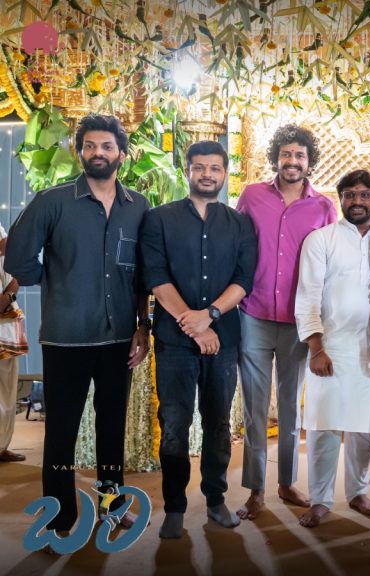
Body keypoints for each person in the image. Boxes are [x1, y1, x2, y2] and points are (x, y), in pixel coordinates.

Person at [4, 113, 151, 533]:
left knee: (111, 429)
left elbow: (143, 274)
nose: (97, 153)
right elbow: (18, 257)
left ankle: (112, 505)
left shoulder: (138, 207)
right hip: (66, 337)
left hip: (118, 338)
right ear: (79, 151)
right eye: (90, 146)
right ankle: (60, 516)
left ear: (122, 154)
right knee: (61, 433)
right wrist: (53, 278)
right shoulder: (53, 201)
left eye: (106, 146)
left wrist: (143, 326)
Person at [140, 141, 256, 539]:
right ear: (187, 170)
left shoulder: (240, 223)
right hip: (174, 341)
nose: (208, 174)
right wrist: (194, 326)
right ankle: (174, 506)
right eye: (200, 167)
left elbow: (244, 280)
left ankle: (215, 499)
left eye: (215, 168)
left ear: (225, 173)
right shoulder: (159, 219)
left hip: (223, 339)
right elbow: (156, 278)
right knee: (174, 423)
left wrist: (210, 317)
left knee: (219, 422)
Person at [235, 124, 337, 520]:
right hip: (254, 315)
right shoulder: (252, 196)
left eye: (299, 155)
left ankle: (287, 482)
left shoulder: (323, 207)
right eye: (286, 154)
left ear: (309, 162)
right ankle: (256, 490)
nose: (292, 161)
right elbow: (236, 246)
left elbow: (329, 267)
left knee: (292, 407)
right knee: (255, 408)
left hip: (299, 322)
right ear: (276, 157)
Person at [295, 170, 370, 528]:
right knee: (325, 428)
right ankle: (320, 499)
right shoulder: (321, 239)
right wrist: (316, 347)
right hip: (330, 347)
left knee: (368, 429)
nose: (357, 201)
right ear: (341, 199)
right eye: (350, 195)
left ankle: (358, 491)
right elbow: (307, 296)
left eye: (365, 195)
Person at [0, 223, 23, 464]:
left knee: (7, 388)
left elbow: (18, 271)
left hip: (6, 324)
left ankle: (2, 445)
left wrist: (8, 295)